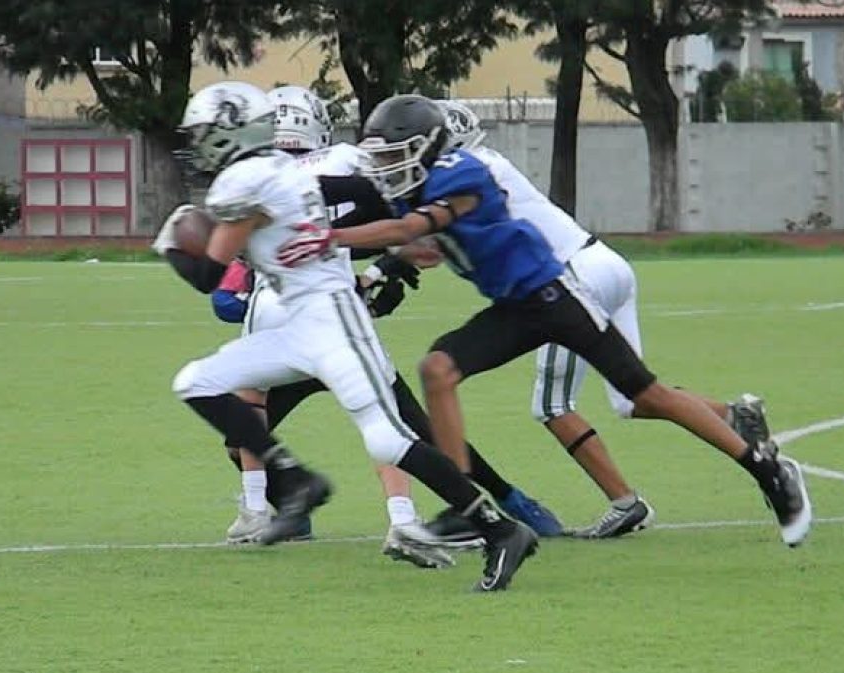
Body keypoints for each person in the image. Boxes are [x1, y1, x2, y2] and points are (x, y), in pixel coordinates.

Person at [277, 95, 812, 548]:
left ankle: (767, 469)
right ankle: (468, 503)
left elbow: (414, 225)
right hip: (514, 308)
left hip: (557, 296)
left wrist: (333, 238)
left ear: (425, 146)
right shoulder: (418, 182)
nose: (386, 165)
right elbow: (407, 229)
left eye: (395, 153)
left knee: (643, 395)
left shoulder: (466, 171)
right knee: (438, 368)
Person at [155, 81, 539, 592]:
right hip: (298, 324)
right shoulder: (277, 170)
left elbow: (207, 276)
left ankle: (500, 530)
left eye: (204, 132)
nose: (199, 142)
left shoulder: (248, 177)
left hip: (333, 322)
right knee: (199, 382)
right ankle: (295, 482)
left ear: (229, 130)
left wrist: (170, 241)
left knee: (388, 436)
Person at [431, 99, 775, 539]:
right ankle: (734, 414)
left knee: (552, 406)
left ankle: (625, 501)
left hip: (569, 278)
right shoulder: (487, 163)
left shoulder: (463, 173)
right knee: (634, 397)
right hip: (605, 263)